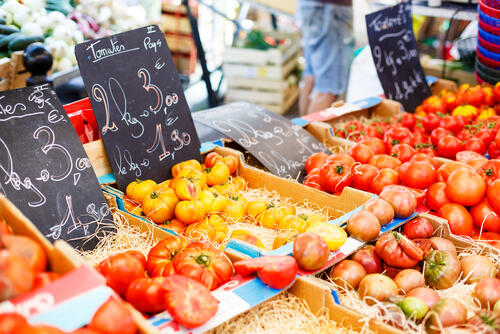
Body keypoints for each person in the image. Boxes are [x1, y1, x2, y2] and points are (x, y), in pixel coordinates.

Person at [296, 0, 354, 115]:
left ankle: (300, 130)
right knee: (327, 89)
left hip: (313, 6)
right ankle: (309, 132)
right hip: (331, 9)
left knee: (312, 78)